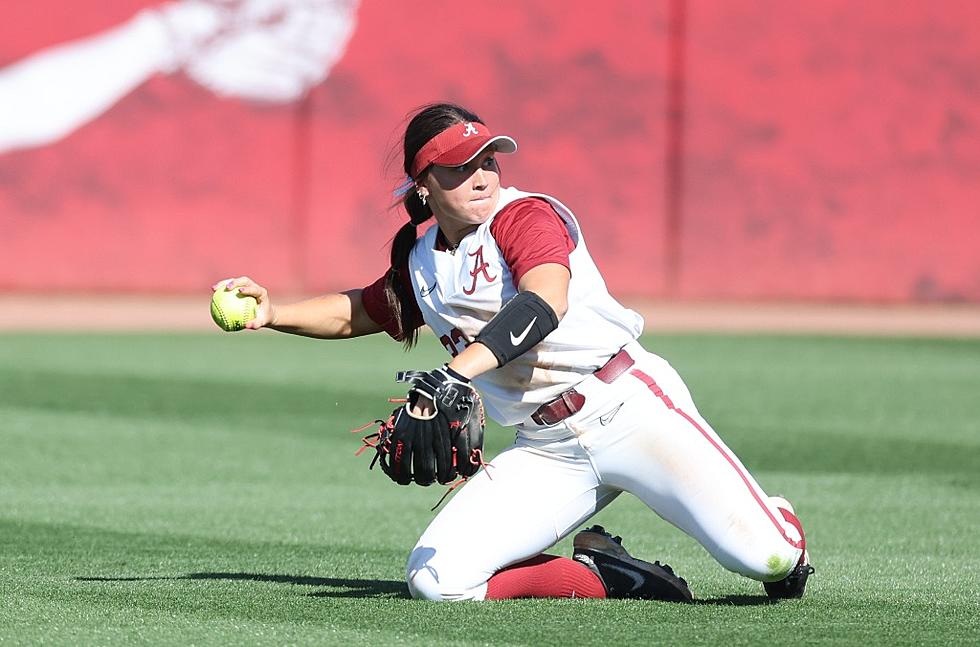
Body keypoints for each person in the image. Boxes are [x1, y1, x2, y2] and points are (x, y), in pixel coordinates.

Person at [213, 102, 814, 602]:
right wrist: (273, 314)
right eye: (458, 167)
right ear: (423, 185)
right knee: (436, 581)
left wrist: (454, 375)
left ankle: (773, 518)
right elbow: (368, 309)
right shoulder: (422, 260)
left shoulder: (524, 215)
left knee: (768, 559)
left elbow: (543, 303)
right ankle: (606, 574)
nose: (480, 175)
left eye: (487, 160)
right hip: (548, 448)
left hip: (630, 410)